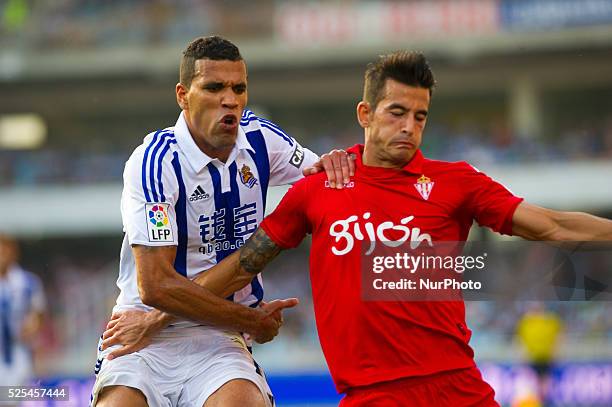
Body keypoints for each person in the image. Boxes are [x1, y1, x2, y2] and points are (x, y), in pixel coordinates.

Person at [103, 51, 612, 406]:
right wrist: (157, 318)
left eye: (420, 116)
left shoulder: (456, 182)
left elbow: (548, 224)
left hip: (459, 388)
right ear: (365, 114)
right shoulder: (318, 191)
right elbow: (240, 268)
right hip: (372, 395)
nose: (409, 127)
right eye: (396, 113)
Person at [92, 35, 354, 407]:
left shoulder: (261, 139)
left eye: (239, 88)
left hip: (219, 337)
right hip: (142, 335)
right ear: (183, 95)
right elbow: (156, 285)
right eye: (214, 87)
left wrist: (338, 162)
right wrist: (251, 320)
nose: (230, 99)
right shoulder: (155, 162)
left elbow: (324, 177)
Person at [0, 234, 46, 388]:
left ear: (13, 252)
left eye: (4, 250)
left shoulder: (27, 282)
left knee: (17, 395)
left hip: (18, 349)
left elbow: (39, 312)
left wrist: (33, 325)